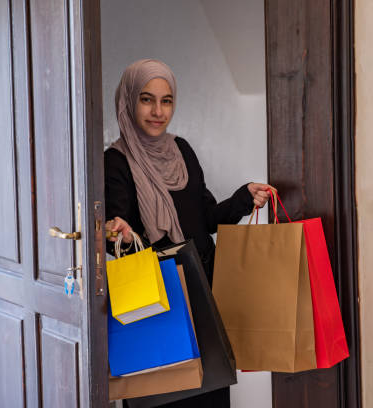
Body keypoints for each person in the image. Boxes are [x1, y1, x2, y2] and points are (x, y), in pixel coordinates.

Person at [104, 59, 272, 408]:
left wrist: (244, 197)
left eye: (166, 101)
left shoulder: (182, 151)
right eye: (146, 99)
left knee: (210, 391)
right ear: (128, 101)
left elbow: (206, 218)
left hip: (203, 290)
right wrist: (117, 231)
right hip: (156, 299)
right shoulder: (116, 161)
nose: (157, 111)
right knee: (160, 394)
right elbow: (117, 230)